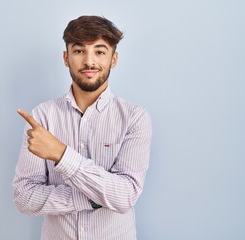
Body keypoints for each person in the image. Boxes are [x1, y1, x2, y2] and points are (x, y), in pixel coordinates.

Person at [13, 15, 152, 240]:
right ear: (66, 58)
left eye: (99, 51)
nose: (89, 62)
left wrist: (60, 153)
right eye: (79, 51)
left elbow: (124, 196)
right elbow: (24, 196)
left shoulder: (135, 118)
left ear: (113, 59)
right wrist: (90, 198)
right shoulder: (42, 116)